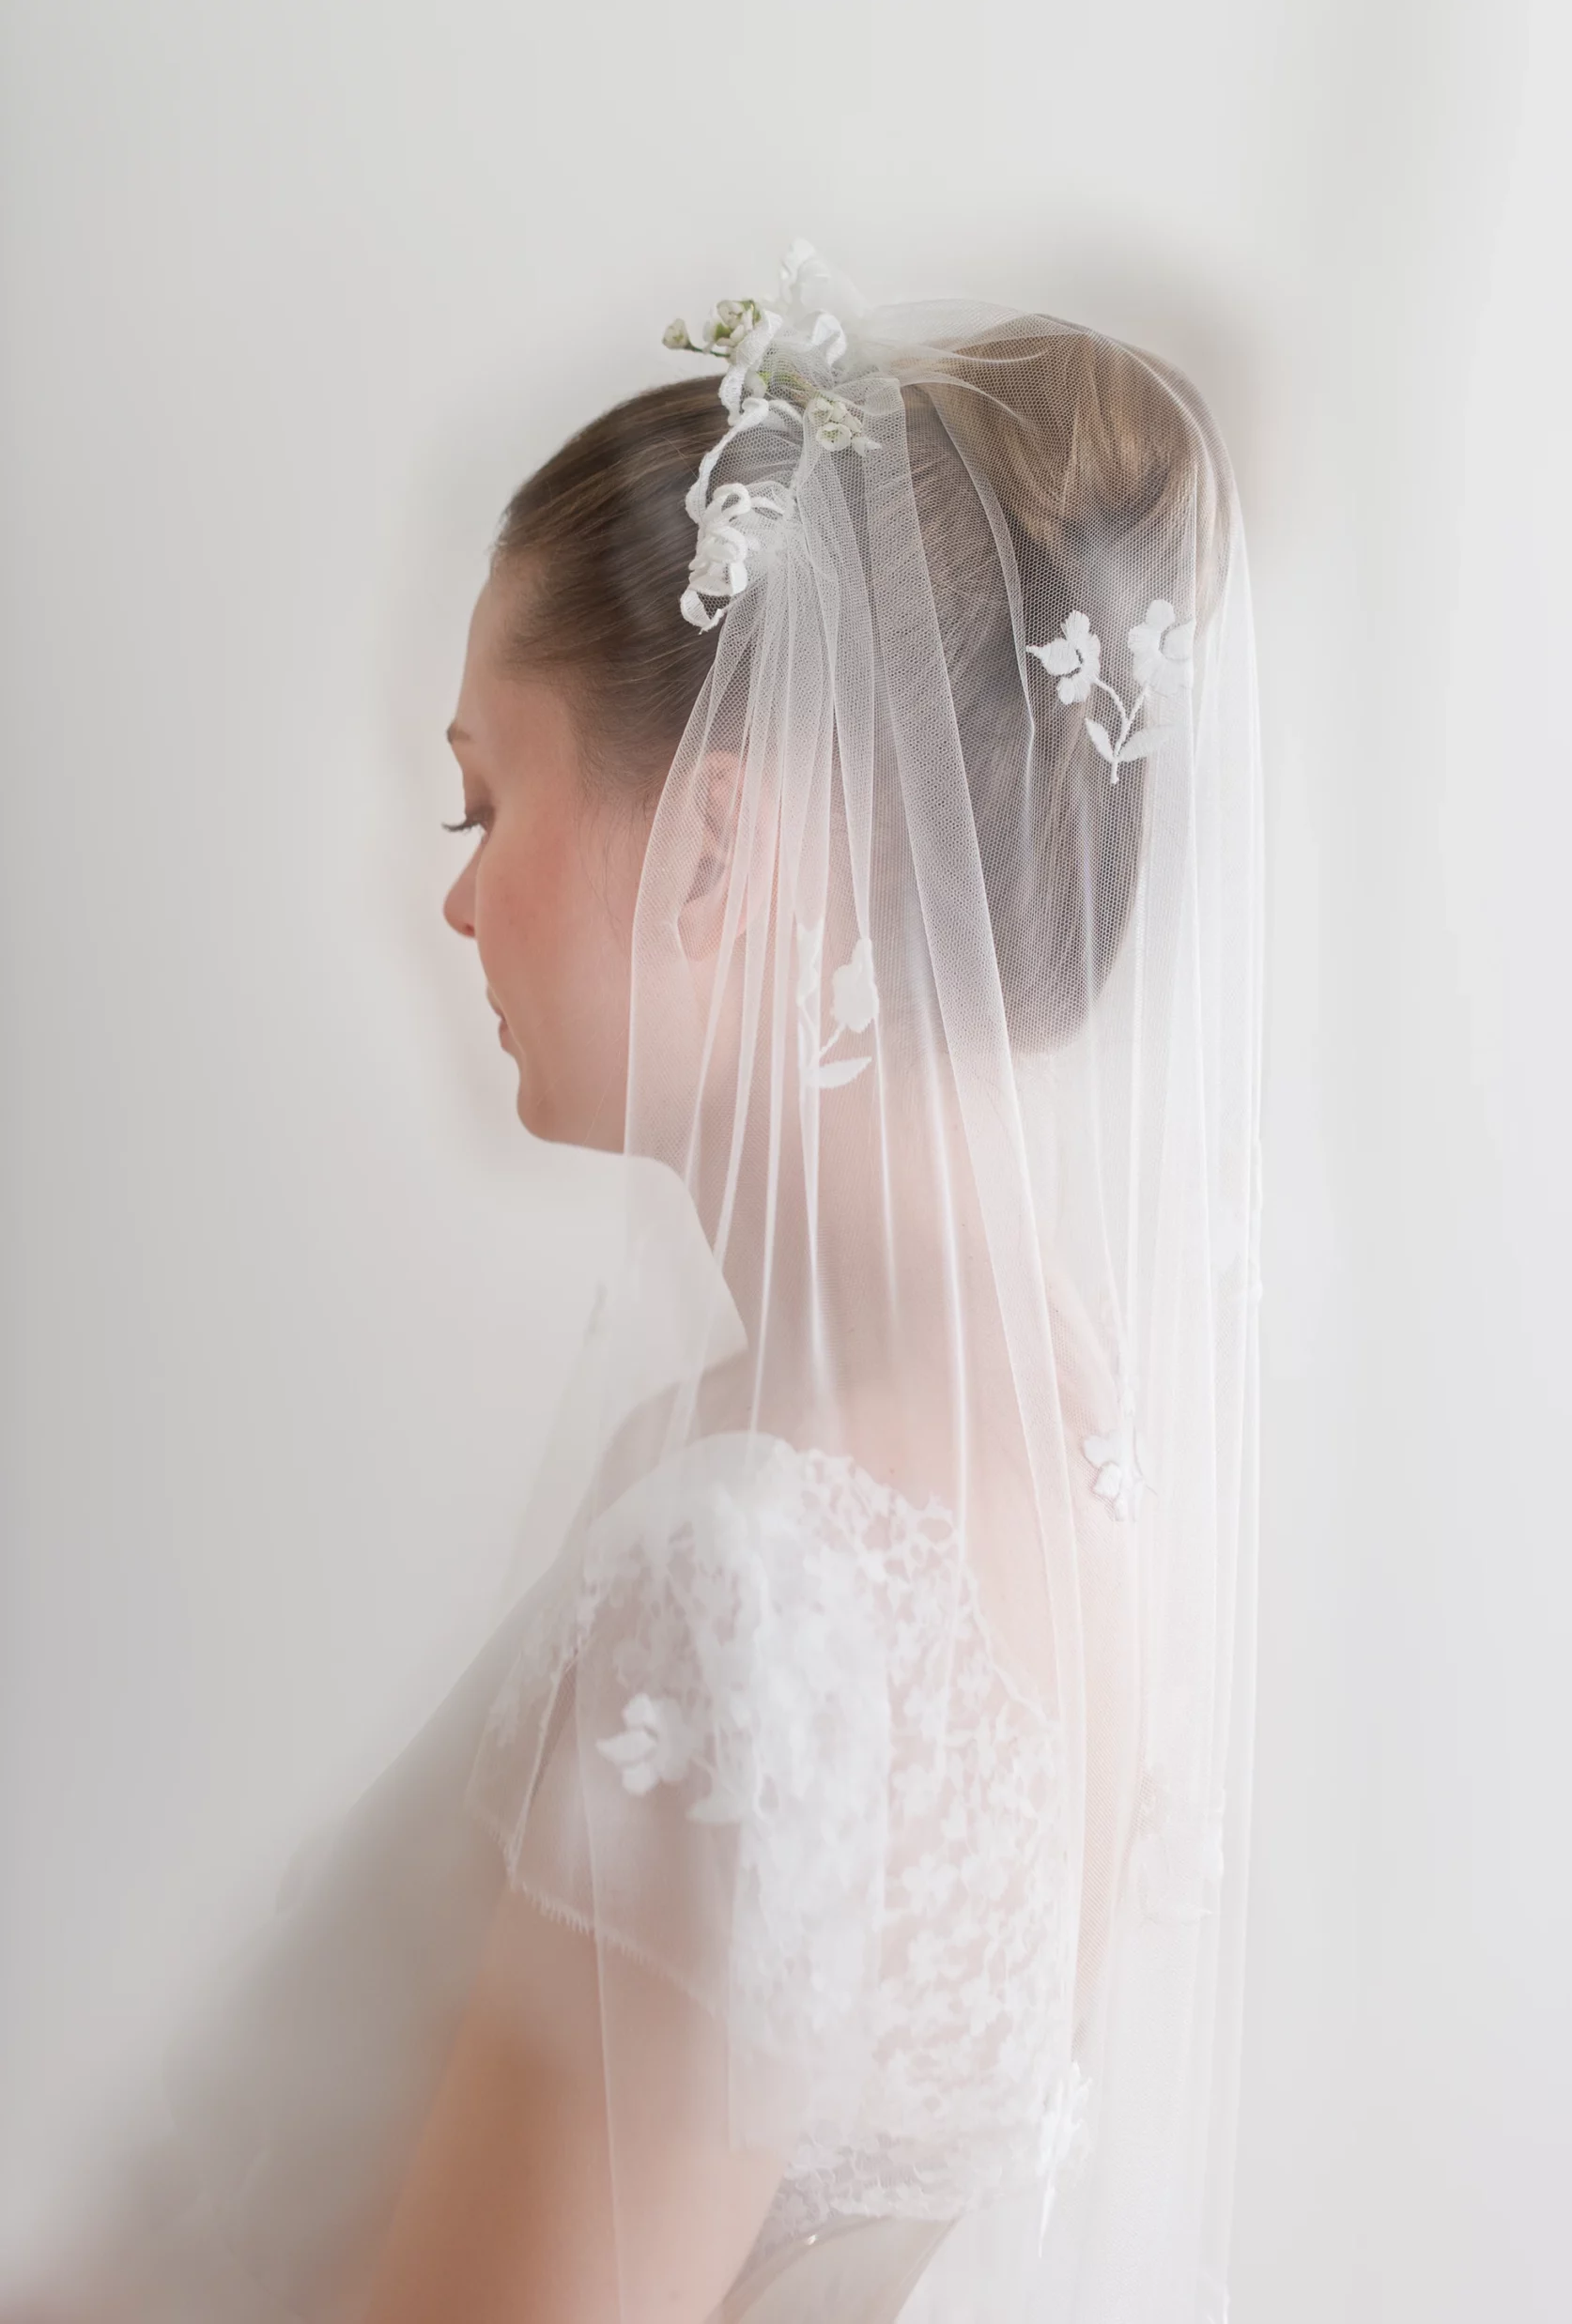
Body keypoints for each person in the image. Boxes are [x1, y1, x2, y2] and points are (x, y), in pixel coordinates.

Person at [33, 242, 1264, 2324]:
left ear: (711, 853)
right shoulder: (1057, 1471)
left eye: (480, 793)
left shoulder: (765, 1572)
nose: (452, 889)